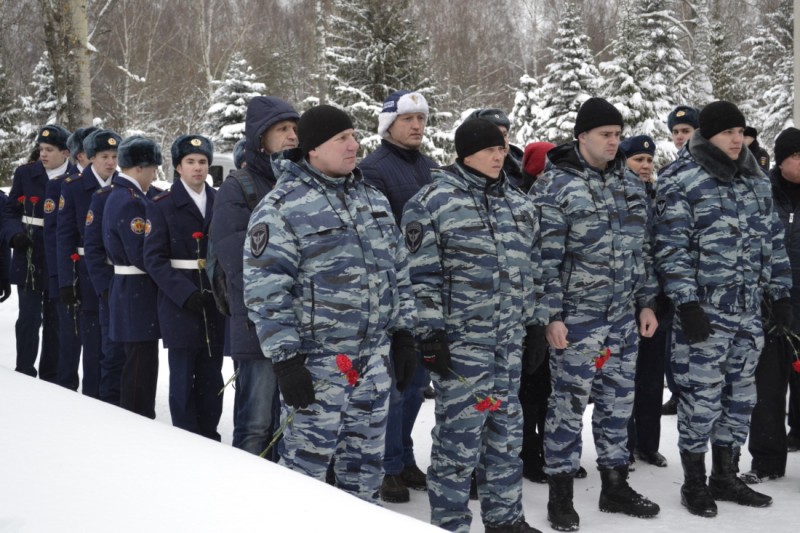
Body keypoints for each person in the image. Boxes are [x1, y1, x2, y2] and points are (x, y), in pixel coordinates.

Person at [243, 105, 417, 503]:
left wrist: (405, 334)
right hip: (318, 368)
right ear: (314, 149)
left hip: (373, 364)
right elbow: (266, 291)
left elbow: (399, 274)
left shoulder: (373, 200)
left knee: (365, 476)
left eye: (354, 136)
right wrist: (286, 361)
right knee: (305, 479)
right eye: (342, 138)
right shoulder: (283, 206)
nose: (354, 145)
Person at [402, 118, 545, 533]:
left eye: (501, 149)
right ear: (466, 154)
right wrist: (429, 334)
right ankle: (449, 524)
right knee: (458, 442)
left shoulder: (519, 205)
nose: (499, 156)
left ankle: (506, 520)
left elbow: (534, 271)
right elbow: (419, 277)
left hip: (508, 344)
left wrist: (536, 325)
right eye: (489, 150)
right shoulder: (432, 202)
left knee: (506, 436)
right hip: (461, 346)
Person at [653, 100, 792, 517]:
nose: (737, 139)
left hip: (748, 313)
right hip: (704, 314)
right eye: (728, 132)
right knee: (701, 399)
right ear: (709, 135)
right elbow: (670, 249)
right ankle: (695, 482)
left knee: (741, 398)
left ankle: (726, 476)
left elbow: (773, 242)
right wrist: (686, 303)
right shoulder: (681, 179)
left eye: (740, 132)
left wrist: (780, 294)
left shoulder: (754, 179)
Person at [530, 97, 660, 531]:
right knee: (567, 407)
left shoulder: (629, 184)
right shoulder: (555, 187)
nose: (613, 142)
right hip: (577, 319)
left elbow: (643, 250)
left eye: (618, 134)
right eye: (605, 134)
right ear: (582, 136)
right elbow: (543, 261)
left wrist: (646, 302)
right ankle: (561, 495)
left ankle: (615, 485)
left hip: (622, 317)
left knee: (617, 404)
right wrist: (551, 315)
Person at [209, 96, 300, 456]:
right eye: (282, 129)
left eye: (294, 128)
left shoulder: (302, 182)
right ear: (261, 138)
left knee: (292, 424)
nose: (292, 135)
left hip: (299, 325)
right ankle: (245, 486)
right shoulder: (239, 187)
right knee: (256, 423)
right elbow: (237, 261)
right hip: (256, 325)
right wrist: (276, 302)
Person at [359, 89, 437, 503]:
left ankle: (404, 456)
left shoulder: (430, 167)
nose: (417, 126)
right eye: (408, 119)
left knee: (418, 381)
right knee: (395, 383)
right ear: (389, 124)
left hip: (428, 293)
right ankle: (388, 466)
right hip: (394, 294)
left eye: (421, 118)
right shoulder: (373, 169)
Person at [144, 134, 225, 439]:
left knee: (211, 375)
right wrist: (184, 293)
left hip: (214, 299)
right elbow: (153, 259)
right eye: (190, 162)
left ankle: (209, 434)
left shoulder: (220, 201)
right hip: (180, 303)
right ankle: (185, 437)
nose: (198, 168)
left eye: (202, 161)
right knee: (181, 375)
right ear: (178, 167)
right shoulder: (162, 205)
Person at [740, 127, 800, 483]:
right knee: (768, 386)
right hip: (770, 302)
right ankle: (766, 461)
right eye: (797, 155)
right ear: (781, 159)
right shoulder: (761, 191)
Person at [4, 125, 77, 382]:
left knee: (56, 319)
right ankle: (24, 371)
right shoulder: (26, 173)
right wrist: (14, 234)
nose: (43, 154)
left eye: (49, 150)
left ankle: (50, 377)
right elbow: (10, 210)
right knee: (29, 317)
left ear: (65, 152)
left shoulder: (75, 177)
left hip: (59, 255)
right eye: (41, 149)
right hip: (30, 251)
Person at [57, 129, 121, 399]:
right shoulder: (74, 186)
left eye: (115, 156)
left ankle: (115, 397)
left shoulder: (122, 185)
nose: (111, 162)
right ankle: (94, 399)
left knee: (116, 343)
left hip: (119, 273)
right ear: (91, 157)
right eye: (105, 156)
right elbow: (64, 237)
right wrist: (65, 281)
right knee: (93, 343)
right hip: (85, 274)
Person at [102, 136, 162, 419]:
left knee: (138, 364)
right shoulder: (130, 202)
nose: (154, 175)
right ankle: (138, 422)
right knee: (139, 369)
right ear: (139, 168)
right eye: (152, 169)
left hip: (131, 291)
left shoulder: (122, 195)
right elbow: (140, 253)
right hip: (135, 292)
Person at [619, 135, 669, 469]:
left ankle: (648, 444)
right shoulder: (616, 196)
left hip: (657, 297)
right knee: (623, 378)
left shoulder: (660, 196)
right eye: (638, 159)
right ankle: (622, 444)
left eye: (649, 160)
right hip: (626, 296)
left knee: (651, 377)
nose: (646, 166)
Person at [518, 141, 558, 485]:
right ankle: (528, 452)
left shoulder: (559, 196)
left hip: (551, 305)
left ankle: (547, 449)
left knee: (547, 391)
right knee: (529, 391)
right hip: (528, 311)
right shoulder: (524, 202)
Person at [660, 105, 699, 416]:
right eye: (675, 132)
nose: (680, 137)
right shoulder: (669, 175)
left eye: (686, 131)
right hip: (679, 283)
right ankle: (678, 392)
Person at [466, 108, 527, 191]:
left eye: (504, 135)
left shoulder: (526, 168)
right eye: (494, 135)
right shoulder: (455, 179)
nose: (501, 140)